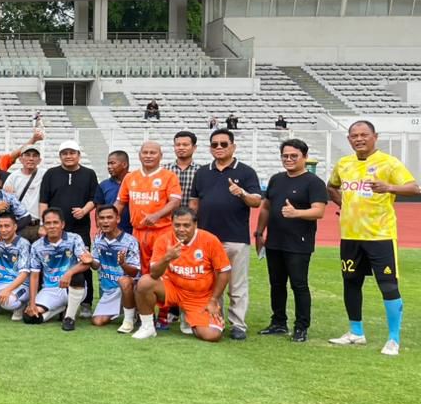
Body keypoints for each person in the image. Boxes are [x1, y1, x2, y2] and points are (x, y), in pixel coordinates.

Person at [325, 120, 418, 356]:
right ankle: (355, 332)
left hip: (380, 236)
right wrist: (343, 205)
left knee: (387, 285)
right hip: (350, 235)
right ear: (349, 140)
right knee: (351, 282)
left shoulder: (389, 163)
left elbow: (414, 188)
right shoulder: (344, 164)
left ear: (375, 136)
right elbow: (331, 186)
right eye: (354, 135)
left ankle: (393, 339)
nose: (359, 139)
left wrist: (388, 187)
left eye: (364, 134)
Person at [188, 128, 261, 340]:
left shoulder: (246, 172)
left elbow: (256, 201)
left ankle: (238, 324)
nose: (219, 148)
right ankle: (214, 319)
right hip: (207, 238)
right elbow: (195, 203)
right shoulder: (202, 172)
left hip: (235, 238)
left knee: (236, 284)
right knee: (210, 283)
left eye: (223, 144)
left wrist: (242, 193)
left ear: (233, 146)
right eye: (214, 144)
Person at [255, 139, 327, 342]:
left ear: (304, 157)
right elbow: (267, 207)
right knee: (276, 284)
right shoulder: (276, 179)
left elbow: (319, 211)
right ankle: (278, 322)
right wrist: (259, 232)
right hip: (274, 241)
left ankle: (301, 326)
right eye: (285, 156)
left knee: (299, 284)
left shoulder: (313, 182)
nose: (289, 159)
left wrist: (296, 213)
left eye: (294, 156)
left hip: (299, 242)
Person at [132, 207, 232, 342]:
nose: (181, 229)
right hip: (173, 289)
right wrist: (167, 258)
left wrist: (213, 301)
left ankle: (190, 319)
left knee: (212, 335)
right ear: (172, 224)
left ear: (195, 225)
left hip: (199, 297)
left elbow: (224, 271)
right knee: (144, 282)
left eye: (186, 225)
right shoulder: (164, 240)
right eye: (177, 225)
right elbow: (154, 274)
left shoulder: (210, 240)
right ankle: (147, 327)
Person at [38, 139, 98, 312]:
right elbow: (43, 200)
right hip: (54, 229)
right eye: (65, 153)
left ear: (78, 155)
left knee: (83, 261)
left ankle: (85, 302)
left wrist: (84, 210)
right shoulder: (51, 174)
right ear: (60, 156)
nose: (68, 156)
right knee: (50, 260)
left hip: (80, 227)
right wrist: (44, 224)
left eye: (72, 153)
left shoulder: (89, 174)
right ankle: (49, 295)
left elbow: (94, 198)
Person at [116, 141, 183, 277]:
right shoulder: (130, 177)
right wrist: (108, 221)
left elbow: (175, 202)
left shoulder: (169, 176)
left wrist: (156, 215)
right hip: (137, 232)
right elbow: (120, 203)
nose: (148, 156)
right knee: (137, 272)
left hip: (162, 231)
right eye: (145, 153)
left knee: (162, 272)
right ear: (140, 156)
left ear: (160, 156)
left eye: (153, 153)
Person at [24, 208, 92, 327]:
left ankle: (69, 318)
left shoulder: (74, 238)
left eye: (55, 222)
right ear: (43, 225)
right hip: (50, 289)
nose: (52, 226)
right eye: (48, 223)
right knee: (30, 317)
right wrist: (32, 303)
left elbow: (86, 262)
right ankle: (60, 309)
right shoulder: (36, 246)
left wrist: (68, 273)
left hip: (72, 287)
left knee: (77, 276)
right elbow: (34, 276)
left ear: (62, 224)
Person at [89, 205, 141, 330]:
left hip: (127, 288)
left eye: (109, 217)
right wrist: (89, 260)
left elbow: (134, 273)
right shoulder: (97, 240)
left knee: (125, 281)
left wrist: (123, 264)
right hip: (109, 291)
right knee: (97, 321)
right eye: (101, 218)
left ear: (117, 219)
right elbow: (96, 266)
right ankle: (125, 309)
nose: (105, 221)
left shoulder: (130, 241)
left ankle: (130, 317)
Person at [3, 146, 43, 240]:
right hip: (20, 225)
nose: (31, 158)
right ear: (20, 159)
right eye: (27, 155)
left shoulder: (45, 175)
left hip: (39, 226)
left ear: (39, 160)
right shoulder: (13, 177)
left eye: (35, 156)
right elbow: (5, 205)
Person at [94, 150, 132, 234]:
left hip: (133, 230)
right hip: (111, 233)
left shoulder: (136, 182)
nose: (109, 167)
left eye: (112, 163)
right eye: (108, 164)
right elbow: (99, 209)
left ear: (124, 164)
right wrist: (99, 226)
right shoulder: (103, 185)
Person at [166, 130, 201, 198]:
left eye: (185, 145)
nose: (181, 148)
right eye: (177, 145)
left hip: (193, 208)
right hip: (169, 208)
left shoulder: (201, 171)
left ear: (194, 147)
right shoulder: (164, 170)